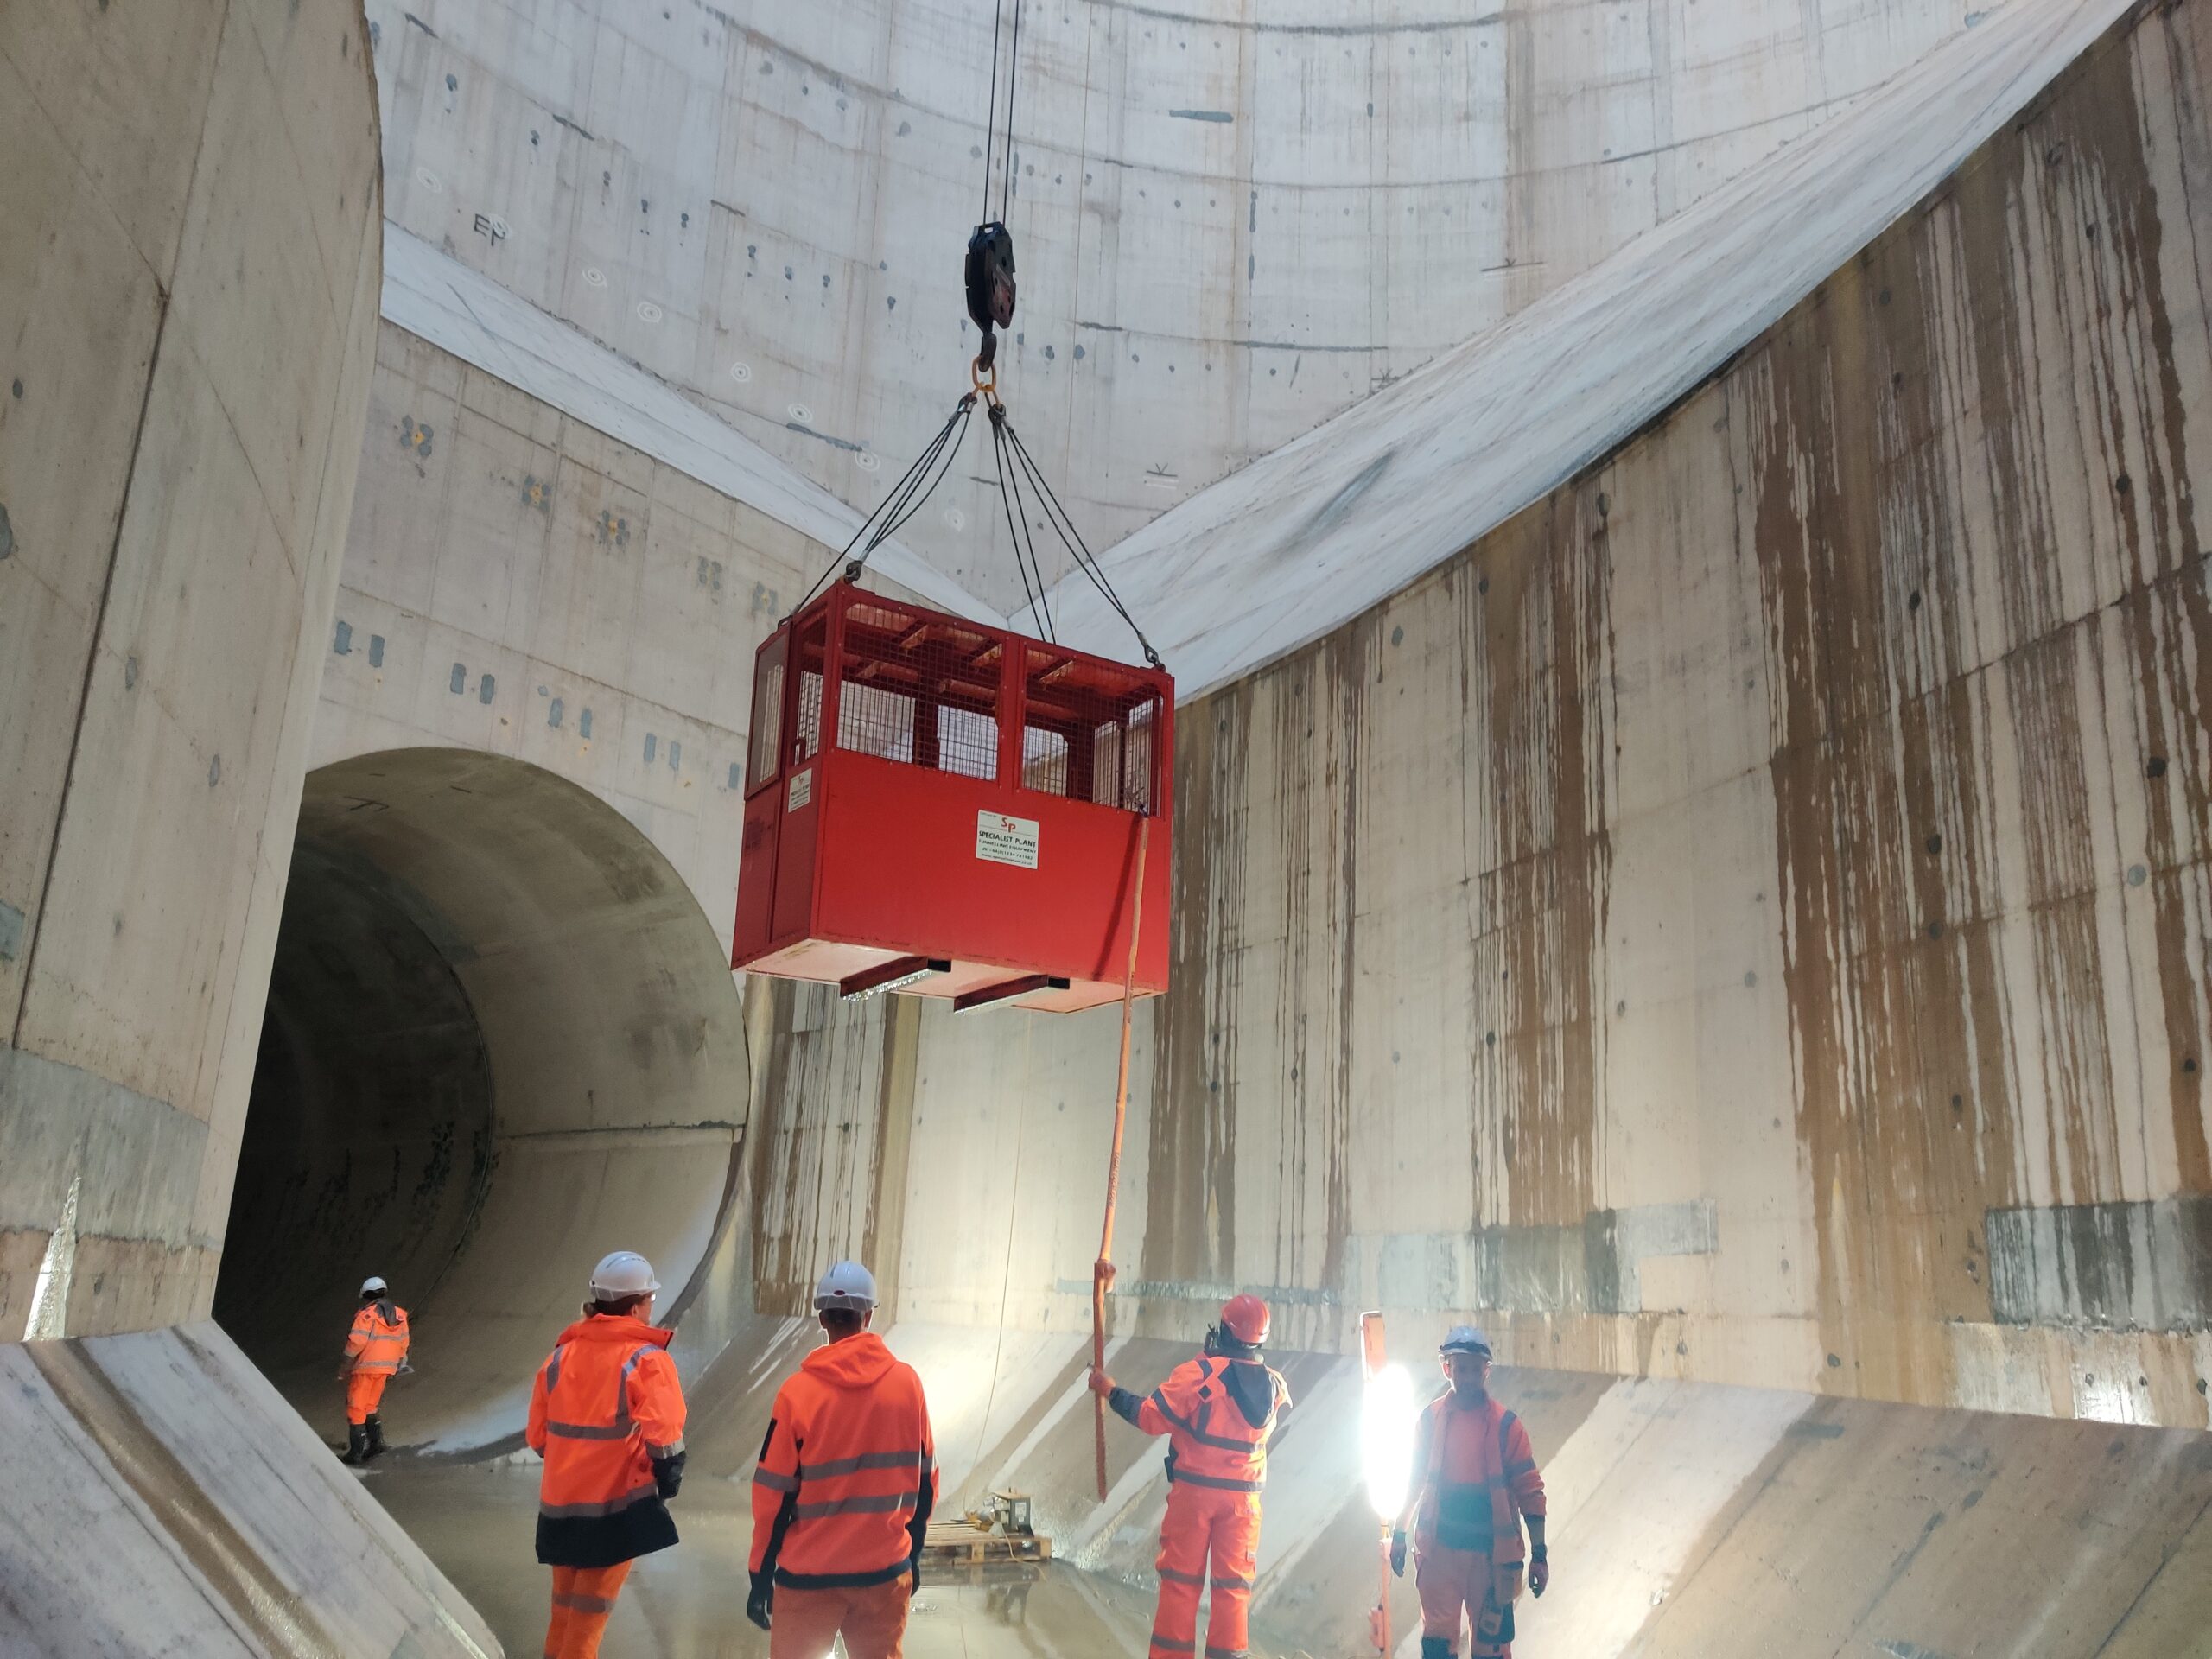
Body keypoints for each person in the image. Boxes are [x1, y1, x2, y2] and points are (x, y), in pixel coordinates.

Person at [748, 1261, 938, 1659]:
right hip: (884, 1574)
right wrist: (912, 1552)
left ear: (822, 1318)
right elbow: (926, 1479)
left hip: (808, 1579)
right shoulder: (908, 1385)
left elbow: (772, 1495)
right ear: (868, 1315)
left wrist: (760, 1575)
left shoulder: (797, 1394)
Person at [1090, 1293, 1292, 1659]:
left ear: (1226, 1332)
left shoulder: (1197, 1376)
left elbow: (1151, 1417)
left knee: (1181, 1585)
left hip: (1195, 1499)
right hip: (1245, 1505)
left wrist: (1110, 1391)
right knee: (1233, 1589)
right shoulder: (1276, 1387)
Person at [525, 1250, 687, 1659]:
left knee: (563, 1615)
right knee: (587, 1625)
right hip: (612, 1513)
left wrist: (574, 1463)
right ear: (635, 1307)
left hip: (560, 1512)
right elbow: (666, 1440)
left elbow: (538, 1438)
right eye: (650, 1300)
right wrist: (666, 1482)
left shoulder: (558, 1359)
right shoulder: (646, 1361)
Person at [1388, 1327, 1549, 1659]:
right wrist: (1399, 1534)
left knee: (1491, 1650)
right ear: (1447, 1368)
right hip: (1440, 1555)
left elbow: (1531, 1492)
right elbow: (1414, 1481)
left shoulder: (1508, 1427)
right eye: (1461, 1368)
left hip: (1491, 1562)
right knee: (1436, 1647)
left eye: (1475, 1369)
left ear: (1486, 1372)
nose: (1469, 1376)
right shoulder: (1430, 1421)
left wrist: (1540, 1554)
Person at [338, 1274, 409, 1465]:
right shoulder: (400, 1315)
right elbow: (403, 1343)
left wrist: (345, 1365)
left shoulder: (366, 1316)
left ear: (366, 1295)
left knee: (356, 1409)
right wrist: (397, 1364)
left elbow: (356, 1342)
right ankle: (376, 1444)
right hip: (385, 1369)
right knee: (371, 1406)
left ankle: (356, 1453)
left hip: (365, 1369)